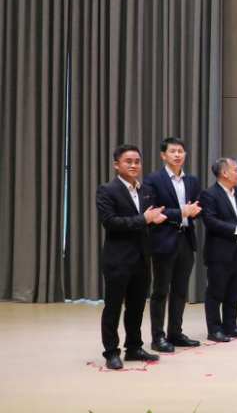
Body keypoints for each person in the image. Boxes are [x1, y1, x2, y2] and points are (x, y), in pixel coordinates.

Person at [96, 144, 167, 370]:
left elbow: (145, 219)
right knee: (113, 308)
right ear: (116, 165)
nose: (134, 165)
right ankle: (111, 352)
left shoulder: (144, 190)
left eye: (137, 161)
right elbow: (110, 222)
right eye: (129, 161)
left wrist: (153, 220)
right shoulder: (107, 190)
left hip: (142, 259)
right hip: (118, 259)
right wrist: (144, 219)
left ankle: (134, 347)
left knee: (136, 307)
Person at [143, 137, 202, 352]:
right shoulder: (153, 179)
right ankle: (158, 337)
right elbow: (151, 209)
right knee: (160, 291)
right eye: (172, 151)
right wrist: (180, 213)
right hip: (163, 240)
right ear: (163, 155)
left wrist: (195, 211)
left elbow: (197, 206)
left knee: (180, 291)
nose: (177, 155)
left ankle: (175, 333)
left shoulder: (191, 180)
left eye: (180, 151)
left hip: (186, 239)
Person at [199, 157, 237, 342]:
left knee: (234, 292)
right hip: (219, 252)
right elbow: (210, 221)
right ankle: (214, 329)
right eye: (235, 170)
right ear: (224, 172)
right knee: (215, 293)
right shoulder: (209, 194)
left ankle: (231, 326)